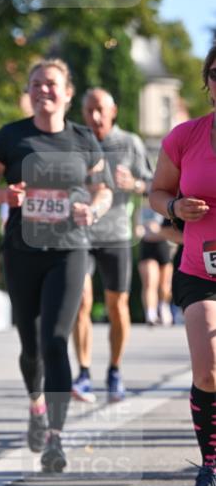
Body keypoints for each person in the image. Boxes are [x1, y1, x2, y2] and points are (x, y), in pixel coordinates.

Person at [0, 59, 112, 472]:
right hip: (22, 252)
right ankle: (36, 404)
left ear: (67, 93)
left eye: (50, 83)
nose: (42, 90)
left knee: (55, 340)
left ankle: (55, 436)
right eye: (35, 84)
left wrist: (93, 210)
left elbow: (103, 190)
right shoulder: (11, 136)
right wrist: (4, 196)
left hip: (69, 250)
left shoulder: (83, 139)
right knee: (31, 347)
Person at [149, 43, 216, 486]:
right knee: (208, 369)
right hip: (200, 268)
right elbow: (157, 193)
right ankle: (210, 468)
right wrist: (173, 206)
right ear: (207, 82)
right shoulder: (185, 137)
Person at [71, 88, 153, 403]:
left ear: (113, 111)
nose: (94, 116)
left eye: (100, 110)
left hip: (117, 234)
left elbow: (154, 184)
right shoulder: (75, 142)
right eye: (88, 110)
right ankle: (83, 372)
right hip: (81, 233)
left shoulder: (130, 143)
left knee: (118, 305)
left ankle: (115, 370)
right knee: (81, 302)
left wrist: (134, 184)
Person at [137, 208, 175, 326]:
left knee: (164, 285)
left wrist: (159, 230)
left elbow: (172, 230)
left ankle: (163, 306)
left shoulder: (166, 208)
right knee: (149, 282)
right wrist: (140, 230)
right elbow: (136, 229)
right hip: (147, 246)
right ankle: (150, 313)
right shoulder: (141, 210)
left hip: (163, 246)